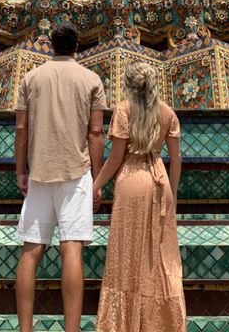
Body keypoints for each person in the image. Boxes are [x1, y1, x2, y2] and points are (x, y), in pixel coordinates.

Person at [14, 21, 107, 332]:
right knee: (72, 250)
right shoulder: (91, 79)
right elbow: (96, 133)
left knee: (31, 251)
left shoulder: (31, 78)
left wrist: (21, 171)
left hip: (40, 172)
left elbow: (21, 129)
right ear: (76, 46)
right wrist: (96, 179)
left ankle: (25, 328)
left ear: (50, 45)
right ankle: (72, 330)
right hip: (76, 173)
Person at [93, 61, 186, 332]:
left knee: (127, 257)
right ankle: (161, 323)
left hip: (131, 182)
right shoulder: (167, 113)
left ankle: (123, 324)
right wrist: (174, 194)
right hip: (159, 181)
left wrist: (96, 185)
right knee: (159, 257)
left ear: (128, 85)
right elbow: (177, 159)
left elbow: (116, 158)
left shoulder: (124, 110)